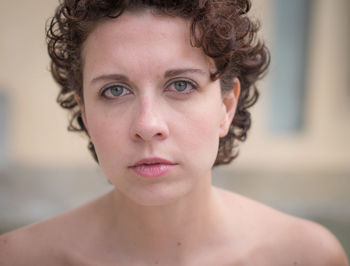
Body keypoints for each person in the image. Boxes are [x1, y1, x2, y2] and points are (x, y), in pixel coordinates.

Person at [0, 0, 348, 265]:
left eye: (181, 84)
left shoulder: (306, 256)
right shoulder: (20, 258)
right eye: (115, 90)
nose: (148, 125)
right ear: (86, 115)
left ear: (227, 107)